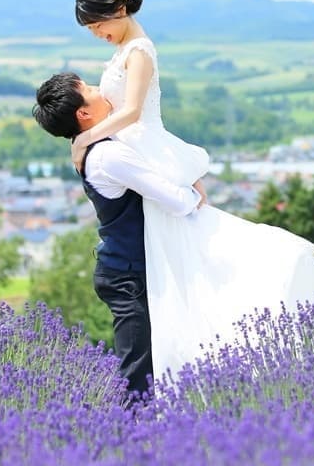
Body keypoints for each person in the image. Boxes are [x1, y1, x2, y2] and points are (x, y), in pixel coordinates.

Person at [67, 0, 314, 382]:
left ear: (119, 10)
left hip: (142, 147)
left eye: (99, 25)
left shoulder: (139, 52)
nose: (98, 34)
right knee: (175, 263)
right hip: (139, 152)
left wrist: (84, 140)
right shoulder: (124, 51)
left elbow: (131, 112)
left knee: (190, 256)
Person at [32, 73, 204, 402]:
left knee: (160, 365)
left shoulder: (94, 145)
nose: (100, 89)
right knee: (139, 375)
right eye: (90, 89)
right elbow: (178, 201)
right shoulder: (108, 156)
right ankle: (132, 444)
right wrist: (196, 190)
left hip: (132, 269)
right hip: (127, 276)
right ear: (83, 114)